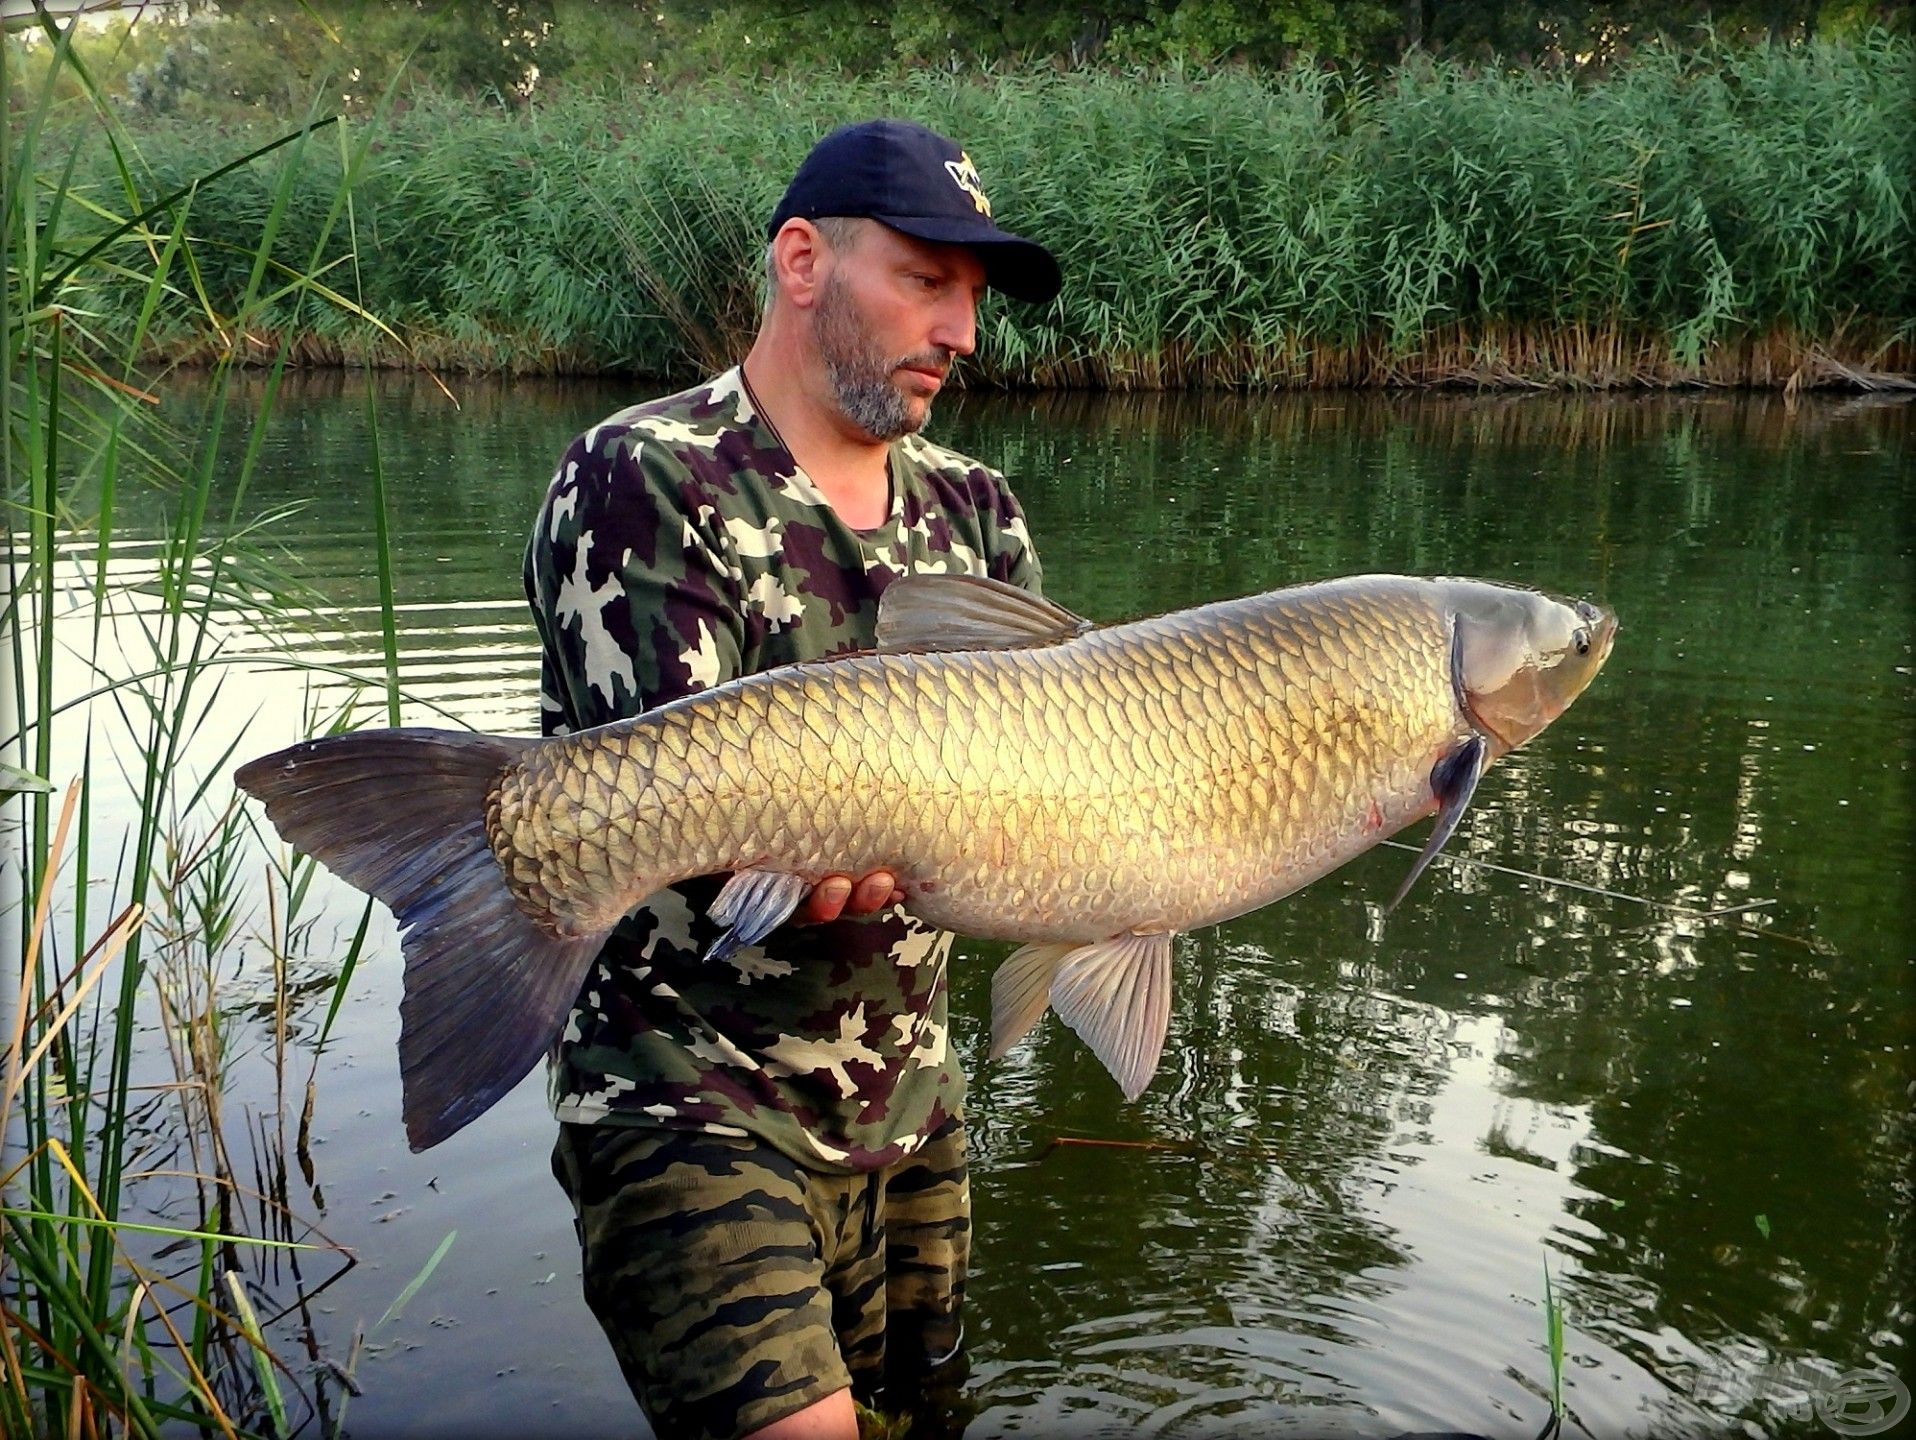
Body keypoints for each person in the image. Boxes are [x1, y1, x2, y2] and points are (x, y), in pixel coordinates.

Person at [523, 119, 1061, 1440]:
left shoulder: (979, 510)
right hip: (688, 1099)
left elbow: (1044, 775)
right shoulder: (644, 475)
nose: (963, 333)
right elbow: (692, 815)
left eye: (975, 299)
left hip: (913, 1115)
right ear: (803, 261)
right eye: (927, 282)